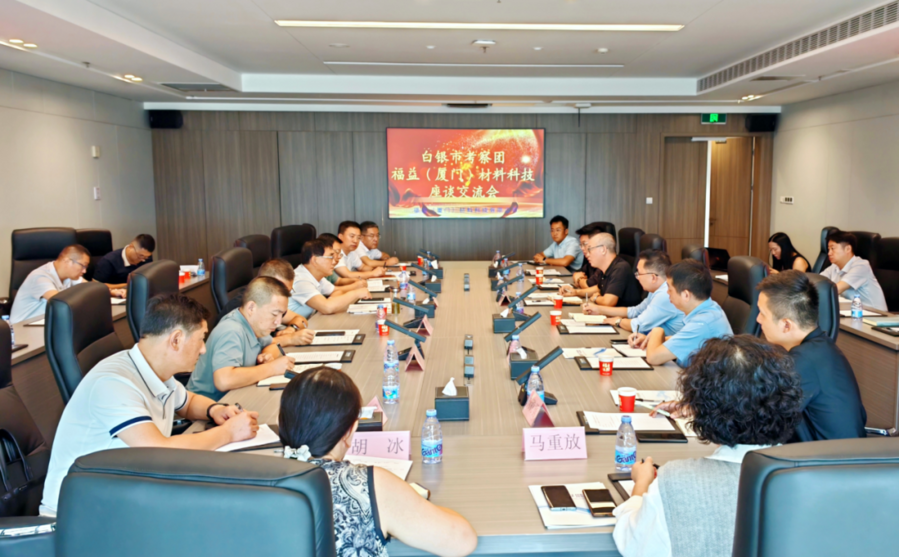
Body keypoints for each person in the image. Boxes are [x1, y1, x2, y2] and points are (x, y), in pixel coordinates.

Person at [39, 294, 260, 516]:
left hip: (122, 492)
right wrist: (228, 433)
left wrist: (215, 410)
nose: (203, 349)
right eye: (201, 339)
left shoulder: (155, 369)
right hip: (78, 514)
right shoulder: (113, 383)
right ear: (176, 340)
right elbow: (158, 451)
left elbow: (188, 402)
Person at [614, 335, 803, 557]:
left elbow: (633, 543)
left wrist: (641, 486)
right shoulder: (811, 474)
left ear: (700, 407)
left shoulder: (676, 480)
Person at [278, 366, 478, 557]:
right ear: (350, 431)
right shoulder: (368, 485)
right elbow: (462, 541)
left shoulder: (263, 478)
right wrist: (406, 498)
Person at [756, 271, 867, 441]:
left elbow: (762, 424)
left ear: (786, 325)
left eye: (762, 313)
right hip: (830, 452)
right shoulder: (820, 347)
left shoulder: (804, 361)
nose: (758, 319)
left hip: (829, 457)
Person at [188, 277, 299, 401]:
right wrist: (272, 368)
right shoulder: (231, 330)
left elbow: (272, 344)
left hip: (236, 397)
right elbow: (224, 380)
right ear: (251, 308)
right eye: (274, 314)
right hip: (209, 405)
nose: (278, 322)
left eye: (282, 315)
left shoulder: (255, 325)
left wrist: (267, 354)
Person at [628, 259, 732, 366]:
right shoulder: (710, 307)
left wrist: (657, 331)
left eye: (669, 288)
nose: (667, 292)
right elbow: (686, 340)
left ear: (686, 295)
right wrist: (653, 340)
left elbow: (653, 358)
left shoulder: (702, 324)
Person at [583, 250, 684, 335]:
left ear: (653, 277)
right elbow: (634, 311)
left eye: (639, 273)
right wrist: (599, 309)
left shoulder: (665, 294)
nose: (637, 277)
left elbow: (637, 325)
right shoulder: (656, 290)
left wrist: (618, 321)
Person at [9, 244, 114, 323]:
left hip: (46, 324)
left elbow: (91, 288)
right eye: (83, 266)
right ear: (67, 261)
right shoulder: (40, 277)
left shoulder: (69, 276)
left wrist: (112, 292)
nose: (84, 271)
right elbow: (60, 303)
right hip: (22, 331)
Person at [217, 259, 313, 341]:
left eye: (287, 292)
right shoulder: (242, 307)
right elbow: (254, 346)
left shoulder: (272, 302)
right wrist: (288, 339)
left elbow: (300, 319)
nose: (285, 297)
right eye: (280, 290)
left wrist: (291, 329)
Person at [559, 231, 641, 308]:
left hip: (623, 317)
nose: (587, 254)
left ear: (603, 250)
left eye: (590, 249)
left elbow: (608, 302)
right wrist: (575, 292)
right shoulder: (605, 268)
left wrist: (596, 298)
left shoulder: (620, 268)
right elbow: (598, 288)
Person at [291, 238, 371, 318]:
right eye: (330, 257)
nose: (334, 262)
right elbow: (327, 308)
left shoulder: (316, 276)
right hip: (298, 325)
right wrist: (356, 293)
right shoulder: (301, 280)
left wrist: (331, 301)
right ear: (315, 260)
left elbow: (336, 291)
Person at [820, 230, 887, 311]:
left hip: (876, 315)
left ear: (848, 249)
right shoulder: (834, 267)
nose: (829, 253)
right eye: (828, 249)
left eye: (832, 248)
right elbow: (817, 283)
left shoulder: (861, 266)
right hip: (854, 313)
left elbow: (836, 289)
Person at [570, 224, 599, 290]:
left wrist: (579, 280)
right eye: (581, 245)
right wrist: (578, 277)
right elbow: (577, 273)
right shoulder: (590, 261)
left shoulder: (603, 265)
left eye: (584, 244)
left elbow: (589, 286)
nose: (582, 248)